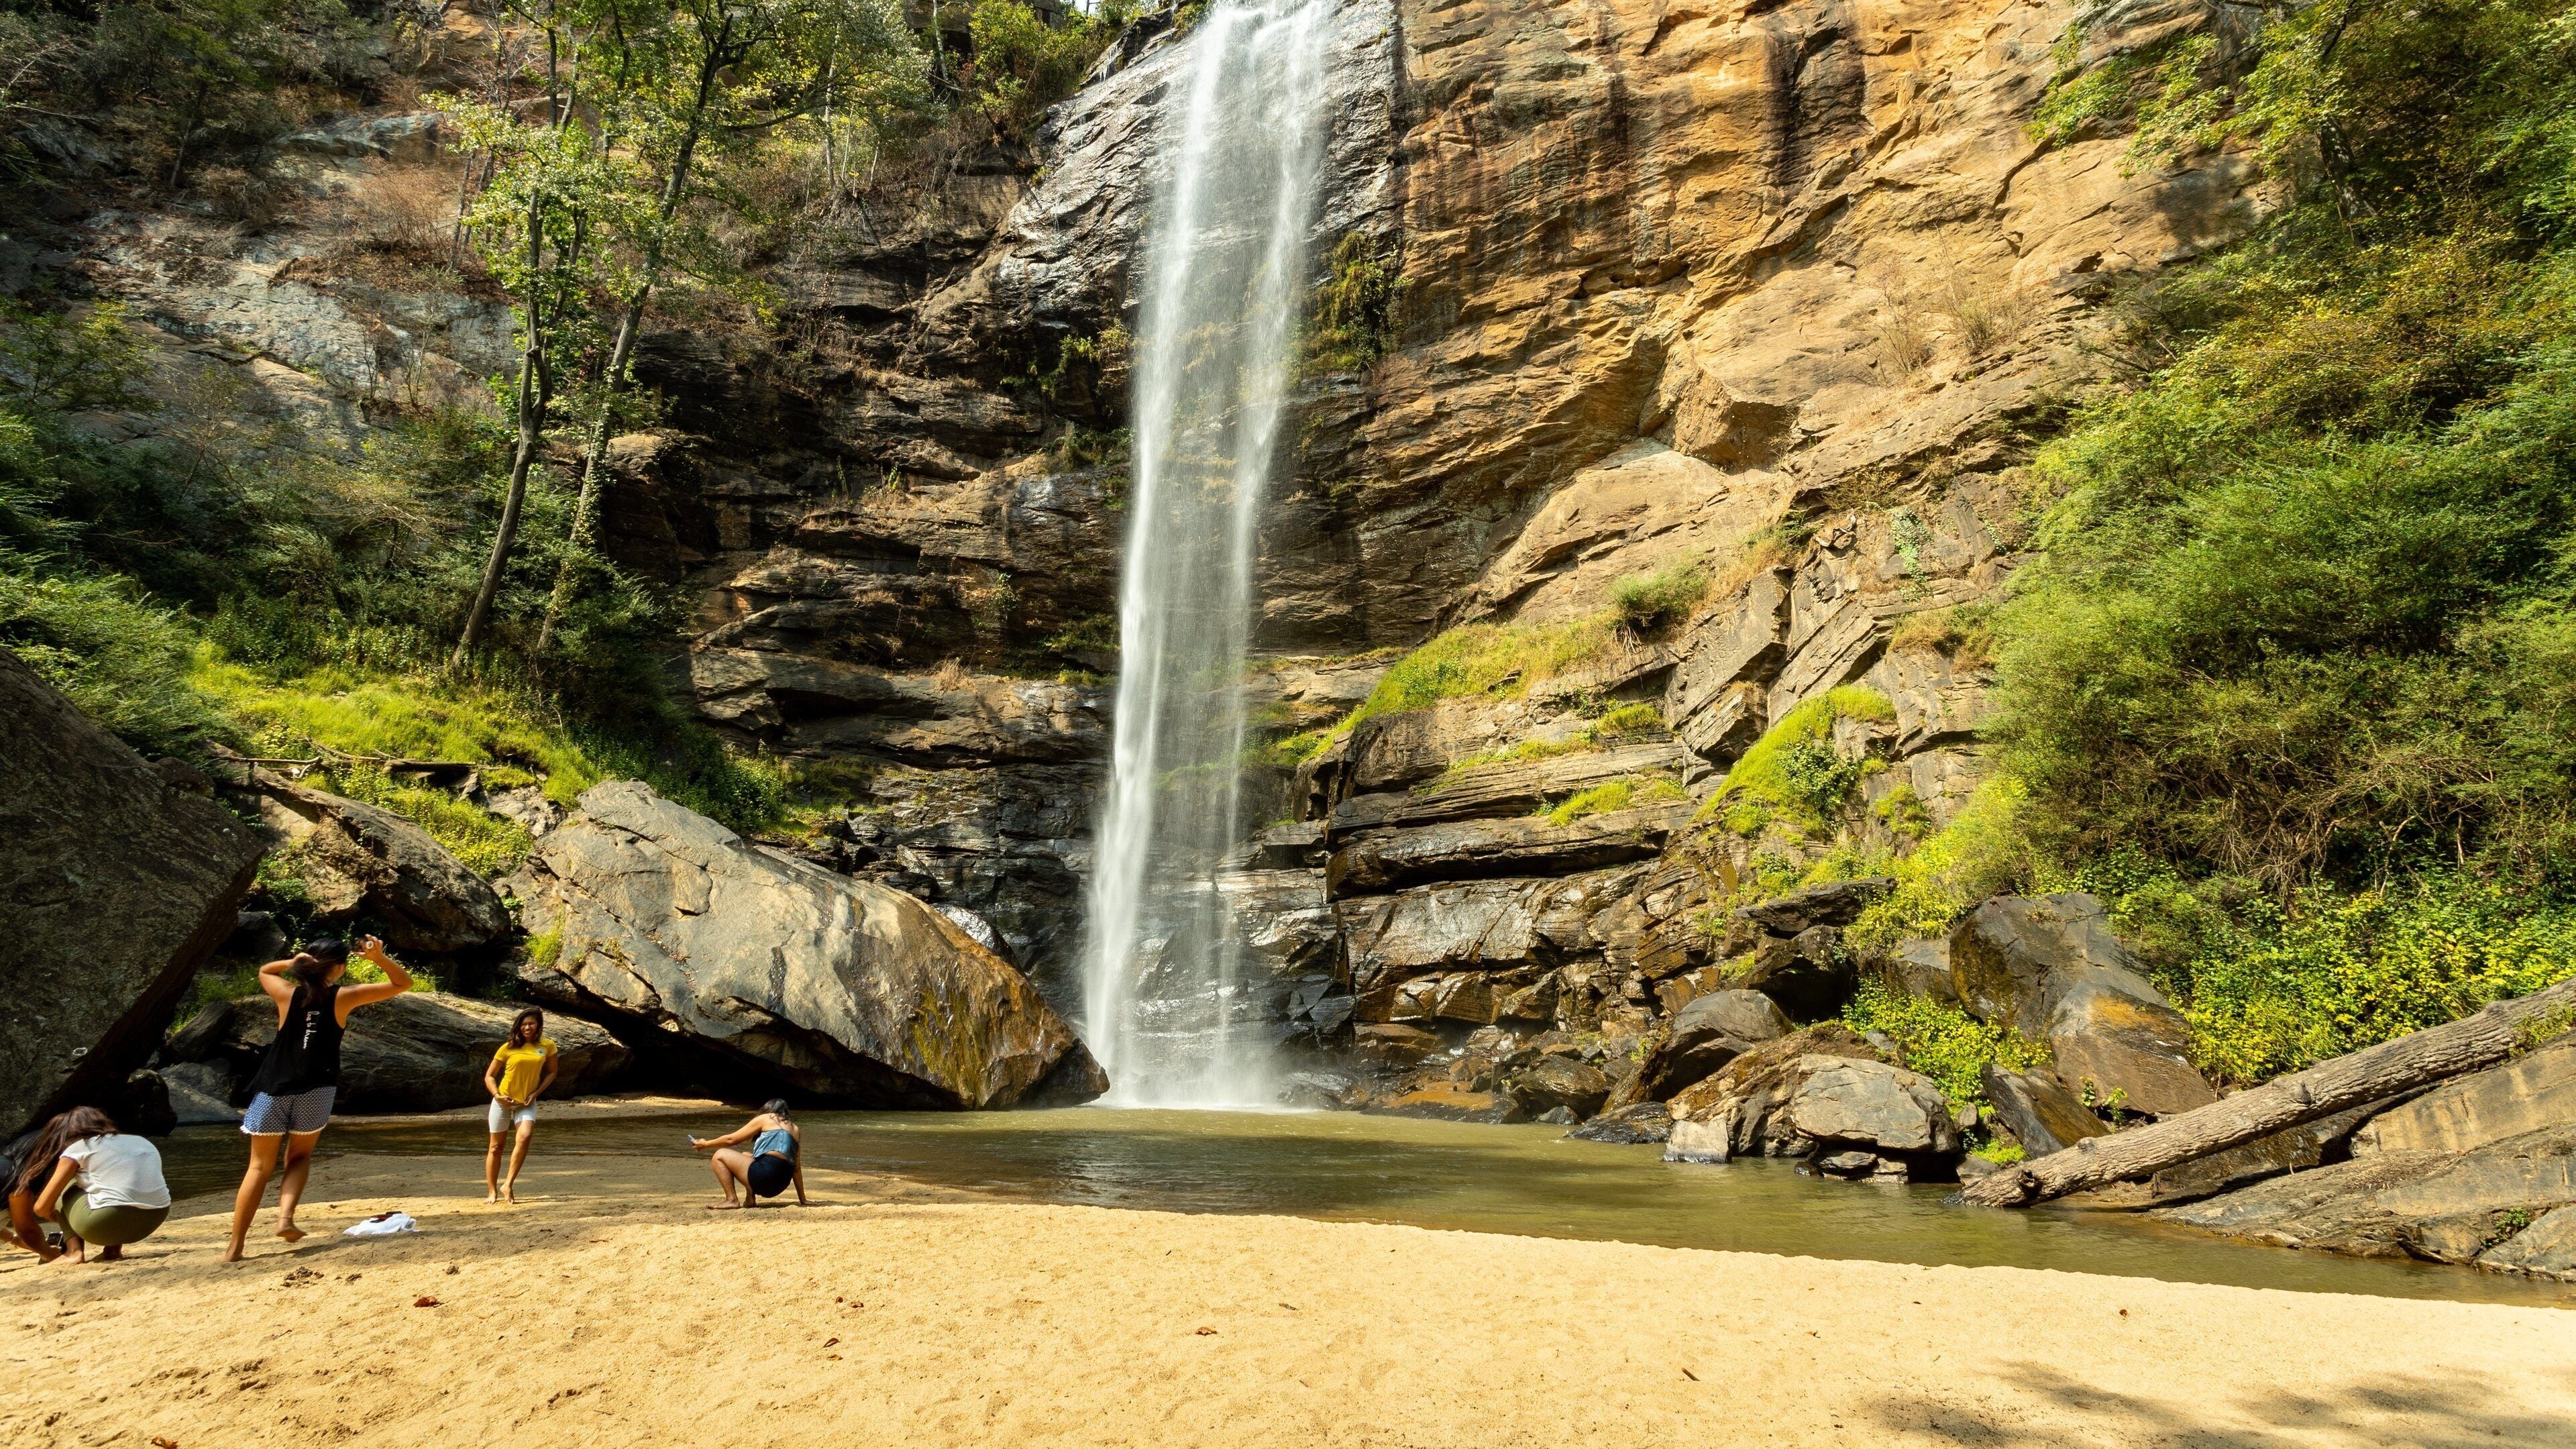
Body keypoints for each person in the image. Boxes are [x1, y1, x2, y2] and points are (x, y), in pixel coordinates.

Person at [223, 935, 413, 1263]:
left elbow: (265, 971)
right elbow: (402, 983)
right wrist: (378, 958)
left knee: (258, 1167)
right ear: (339, 968)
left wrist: (294, 962)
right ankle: (285, 1219)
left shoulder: (287, 993)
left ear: (308, 963)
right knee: (298, 1159)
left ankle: (235, 1248)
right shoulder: (344, 997)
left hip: (273, 1089)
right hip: (317, 1091)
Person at [19, 1108, 170, 1263]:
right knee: (112, 1186)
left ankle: (73, 1252)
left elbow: (41, 1207)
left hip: (104, 1224)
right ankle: (113, 1250)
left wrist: (59, 1216)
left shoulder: (79, 1148)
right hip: (154, 1219)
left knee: (68, 1186)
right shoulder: (141, 1141)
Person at [481, 1008, 558, 1203]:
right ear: (518, 1026)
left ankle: (508, 1184)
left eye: (531, 1023)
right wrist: (497, 1096)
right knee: (496, 1147)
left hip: (526, 1103)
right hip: (502, 1102)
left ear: (539, 1026)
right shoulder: (508, 1047)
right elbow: (490, 1076)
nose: (527, 1027)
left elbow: (552, 1072)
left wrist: (536, 1093)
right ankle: (492, 1191)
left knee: (525, 1137)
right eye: (524, 1024)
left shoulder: (547, 1046)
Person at [689, 1100, 806, 1210]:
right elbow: (796, 1169)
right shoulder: (795, 1129)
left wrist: (706, 1144)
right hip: (780, 1185)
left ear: (768, 1109)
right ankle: (750, 1198)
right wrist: (803, 1200)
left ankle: (732, 1200)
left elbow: (731, 1140)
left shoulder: (767, 1118)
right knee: (746, 1155)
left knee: (719, 1155)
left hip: (765, 1177)